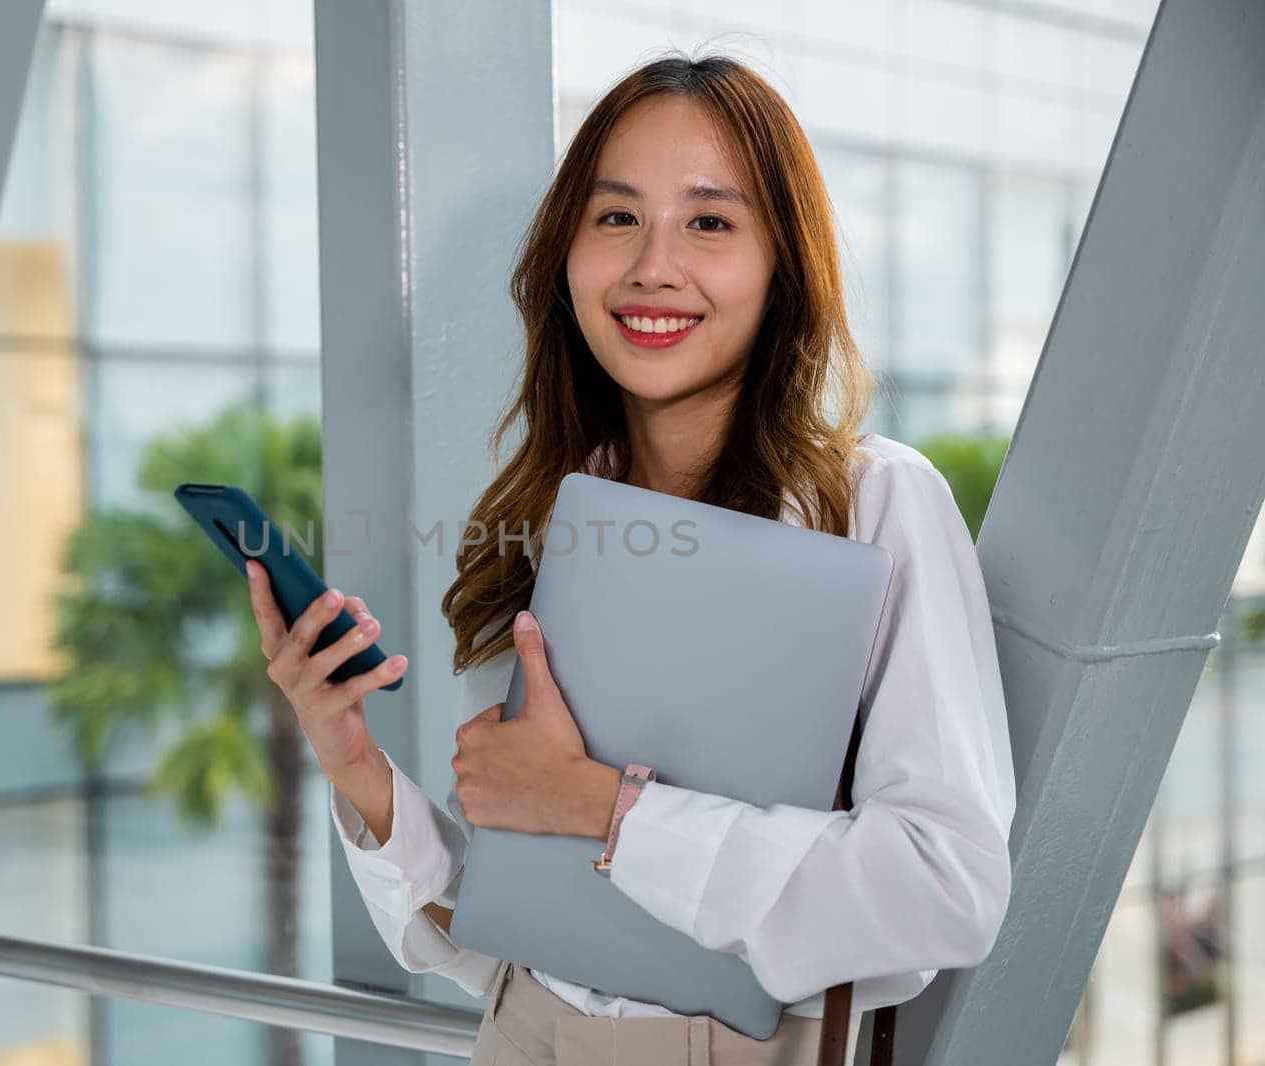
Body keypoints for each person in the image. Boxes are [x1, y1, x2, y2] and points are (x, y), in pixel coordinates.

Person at [247, 52, 1015, 1066]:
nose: (653, 266)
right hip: (523, 1032)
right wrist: (354, 764)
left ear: (783, 262)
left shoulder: (870, 502)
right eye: (615, 218)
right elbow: (521, 921)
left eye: (709, 221)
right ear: (565, 256)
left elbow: (944, 889)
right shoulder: (554, 508)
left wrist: (608, 809)